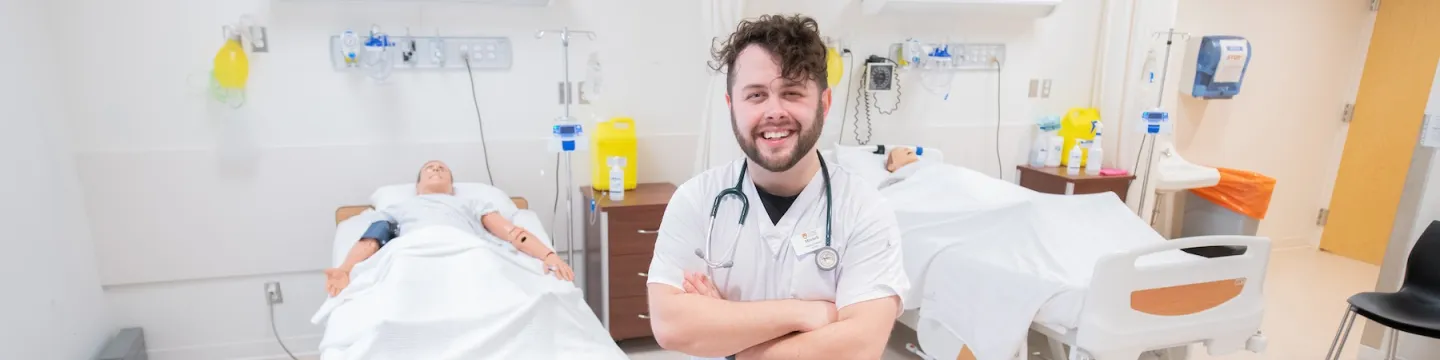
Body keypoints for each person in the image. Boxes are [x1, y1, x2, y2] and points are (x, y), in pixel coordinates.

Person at [645, 14, 909, 360]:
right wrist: (810, 314)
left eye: (792, 92)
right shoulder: (696, 200)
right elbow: (671, 326)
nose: (774, 111)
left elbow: (859, 347)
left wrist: (735, 342)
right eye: (755, 95)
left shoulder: (863, 209)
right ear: (732, 107)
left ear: (824, 105)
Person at [323, 160, 574, 296]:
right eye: (429, 168)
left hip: (467, 250)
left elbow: (512, 233)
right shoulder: (399, 207)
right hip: (413, 253)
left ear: (452, 185)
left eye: (442, 169)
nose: (436, 169)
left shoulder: (471, 203)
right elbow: (371, 240)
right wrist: (345, 269)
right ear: (418, 185)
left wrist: (548, 255)